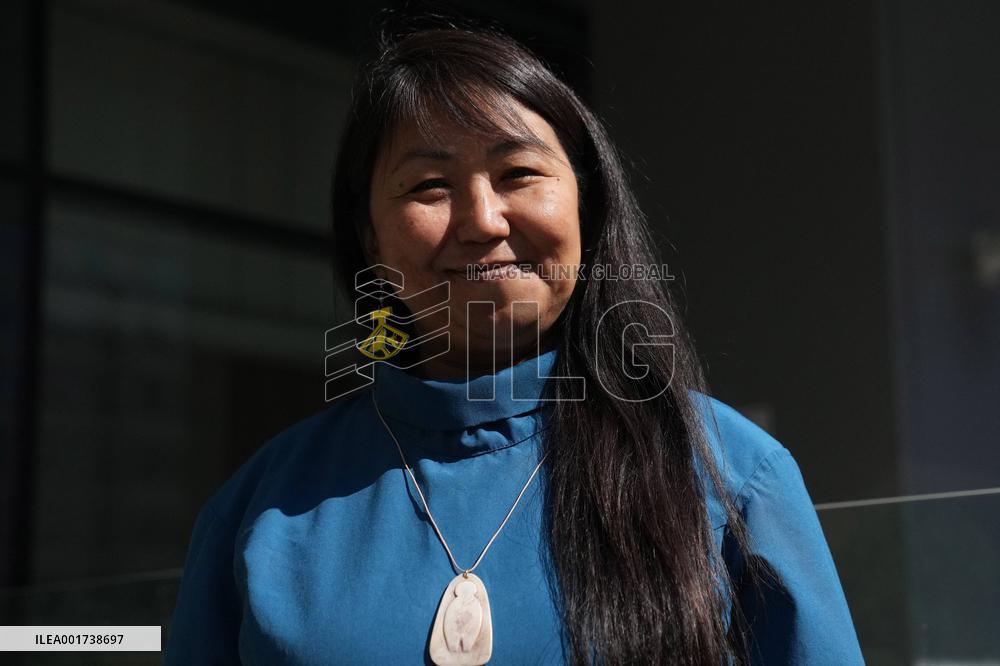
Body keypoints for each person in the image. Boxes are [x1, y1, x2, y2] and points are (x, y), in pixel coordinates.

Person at [164, 13, 865, 666]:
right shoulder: (260, 509)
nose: (482, 220)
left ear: (587, 208)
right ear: (369, 238)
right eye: (428, 185)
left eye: (519, 174)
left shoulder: (733, 475)